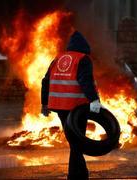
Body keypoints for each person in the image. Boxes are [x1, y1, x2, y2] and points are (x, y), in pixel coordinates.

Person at [41, 31, 102, 180]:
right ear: (85, 48)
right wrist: (93, 100)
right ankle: (76, 175)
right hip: (77, 107)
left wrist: (44, 103)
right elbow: (85, 80)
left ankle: (79, 173)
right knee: (77, 142)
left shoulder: (58, 58)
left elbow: (45, 81)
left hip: (59, 107)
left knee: (74, 141)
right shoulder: (83, 59)